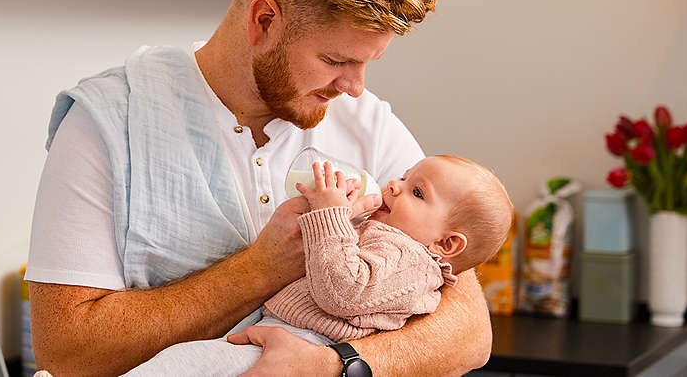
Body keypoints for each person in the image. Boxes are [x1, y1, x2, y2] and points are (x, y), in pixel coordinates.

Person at [25, 0, 495, 375]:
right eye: (335, 59)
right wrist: (260, 270)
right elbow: (66, 352)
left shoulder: (366, 121)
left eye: (368, 62)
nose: (354, 87)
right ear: (264, 19)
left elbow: (469, 331)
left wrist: (337, 365)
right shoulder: (108, 123)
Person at [123, 156, 514, 376]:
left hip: (305, 344)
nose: (393, 186)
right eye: (403, 176)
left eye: (416, 191)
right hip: (275, 329)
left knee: (179, 367)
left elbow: (344, 290)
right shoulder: (387, 234)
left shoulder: (410, 262)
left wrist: (330, 216)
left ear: (446, 244)